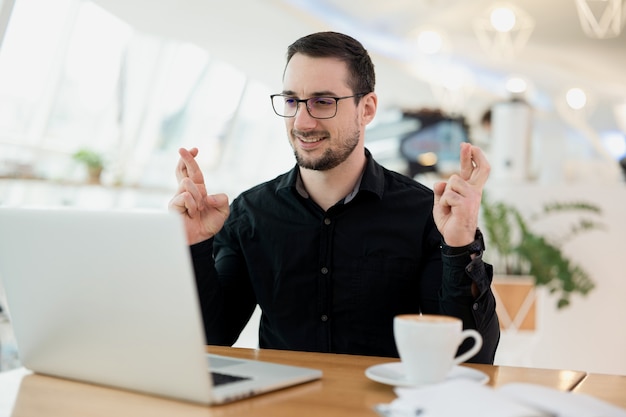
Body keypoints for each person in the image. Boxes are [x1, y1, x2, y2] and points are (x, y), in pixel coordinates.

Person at [169, 31, 499, 363]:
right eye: (291, 101)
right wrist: (195, 245)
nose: (302, 121)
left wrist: (460, 245)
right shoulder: (250, 214)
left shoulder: (421, 213)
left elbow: (470, 360)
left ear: (366, 109)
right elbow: (210, 341)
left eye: (323, 102)